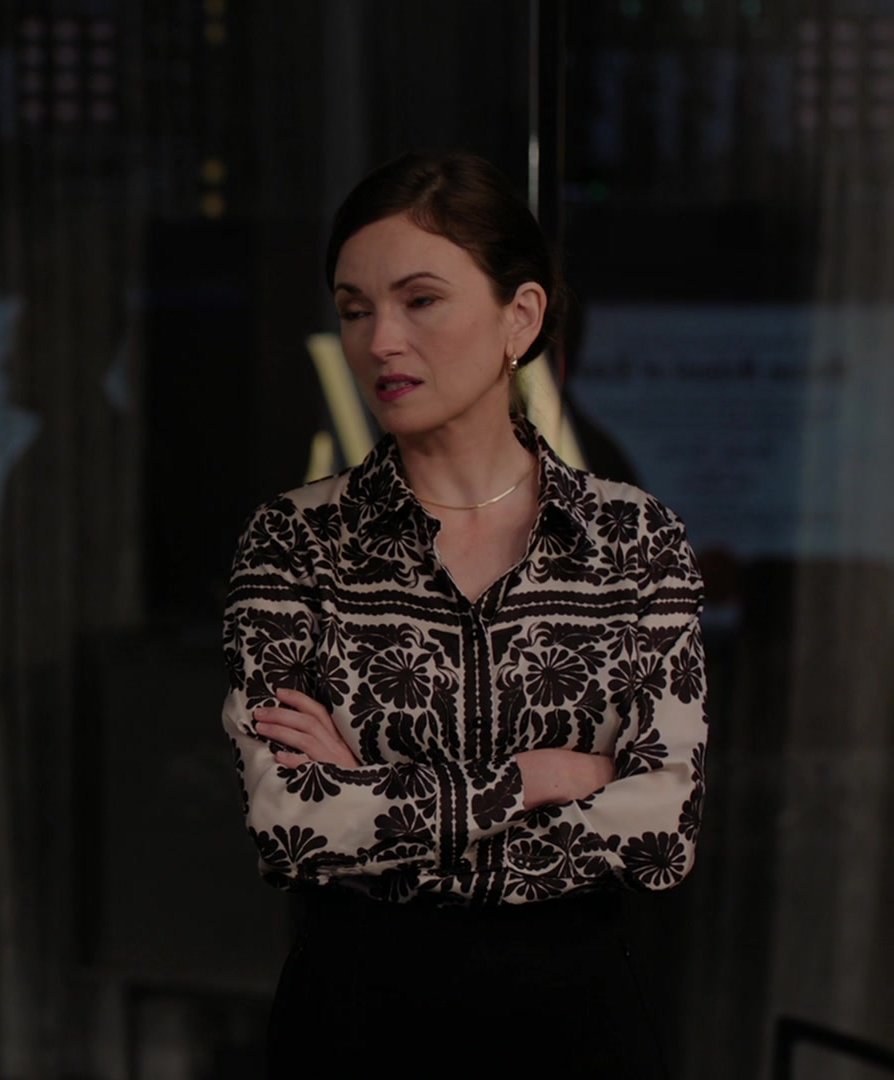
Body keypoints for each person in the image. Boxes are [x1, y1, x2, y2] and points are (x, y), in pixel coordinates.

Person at [222, 152, 705, 1077]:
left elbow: (660, 832)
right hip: (356, 1022)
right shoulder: (295, 541)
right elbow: (292, 824)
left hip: (577, 1026)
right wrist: (540, 776)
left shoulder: (633, 538)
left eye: (420, 301)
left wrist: (378, 800)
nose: (380, 341)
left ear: (520, 316)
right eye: (354, 309)